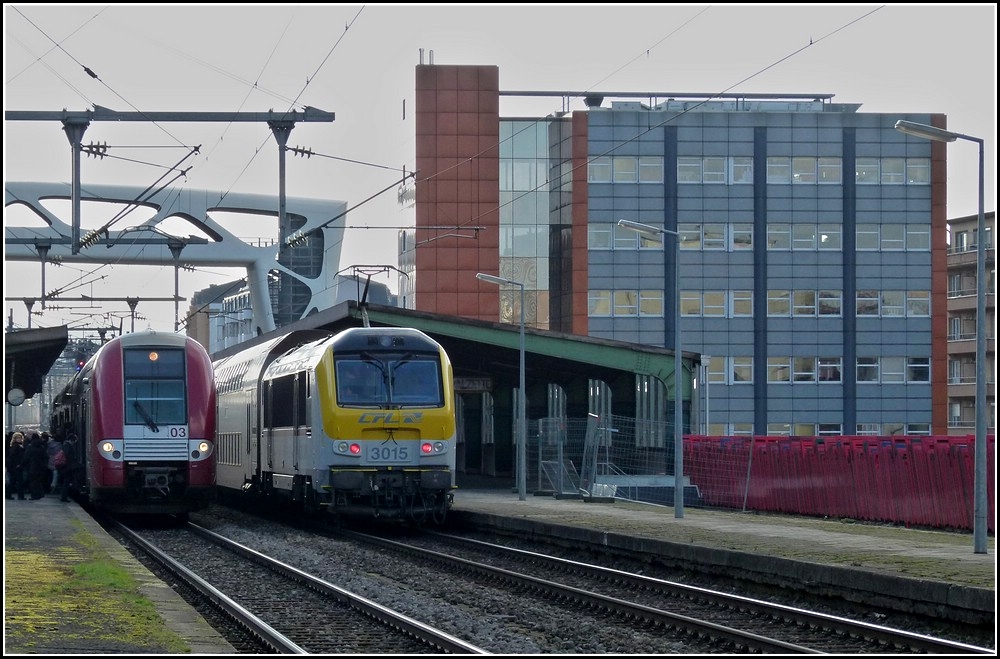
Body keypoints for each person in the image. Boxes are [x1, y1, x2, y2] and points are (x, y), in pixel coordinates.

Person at [58, 432, 83, 502]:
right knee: (66, 482)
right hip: (67, 467)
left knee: (66, 481)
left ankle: (64, 497)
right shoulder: (67, 445)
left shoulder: (65, 444)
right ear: (72, 440)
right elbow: (68, 456)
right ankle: (64, 497)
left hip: (67, 467)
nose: (74, 443)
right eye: (74, 441)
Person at [24, 432, 49, 500]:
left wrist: (22, 465)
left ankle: (34, 495)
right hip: (41, 467)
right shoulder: (42, 446)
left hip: (32, 466)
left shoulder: (30, 446)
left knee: (33, 482)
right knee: (38, 481)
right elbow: (46, 456)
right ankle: (39, 494)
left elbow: (26, 457)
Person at [6, 432, 27, 500]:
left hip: (15, 466)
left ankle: (9, 494)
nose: (19, 439)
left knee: (14, 480)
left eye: (20, 438)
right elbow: (13, 456)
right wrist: (18, 463)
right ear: (15, 439)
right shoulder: (16, 446)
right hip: (16, 466)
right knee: (17, 481)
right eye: (18, 438)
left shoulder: (16, 446)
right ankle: (20, 496)